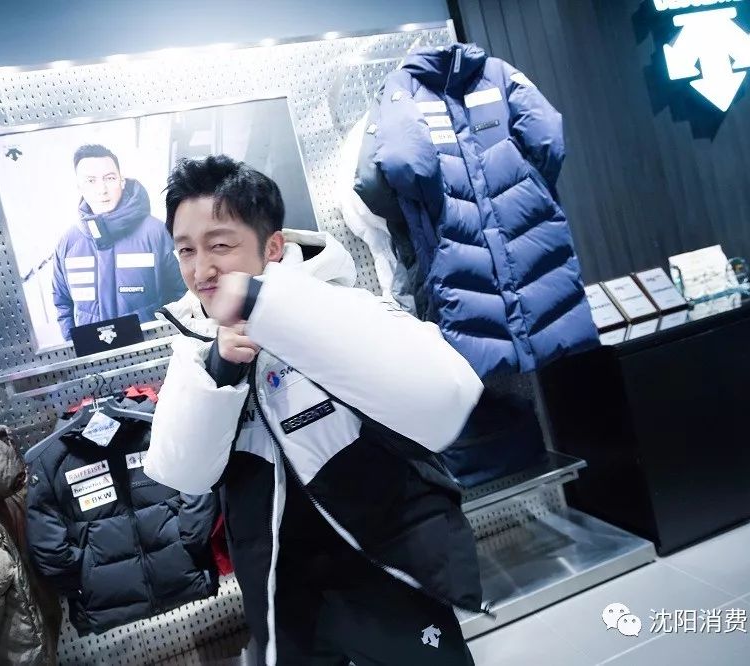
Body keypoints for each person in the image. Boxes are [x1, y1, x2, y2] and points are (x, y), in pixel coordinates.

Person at [144, 155, 485, 665]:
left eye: (220, 245)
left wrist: (276, 313)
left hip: (384, 572)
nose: (201, 269)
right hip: (282, 594)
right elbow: (183, 472)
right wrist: (220, 368)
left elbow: (448, 395)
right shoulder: (195, 345)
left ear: (272, 247)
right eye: (186, 250)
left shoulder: (342, 304)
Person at [52, 144, 187, 340]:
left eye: (109, 178)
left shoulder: (156, 233)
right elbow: (63, 303)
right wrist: (73, 346)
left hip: (149, 349)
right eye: (91, 181)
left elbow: (182, 293)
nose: (102, 190)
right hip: (94, 353)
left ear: (122, 181)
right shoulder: (68, 243)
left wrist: (170, 342)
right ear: (79, 187)